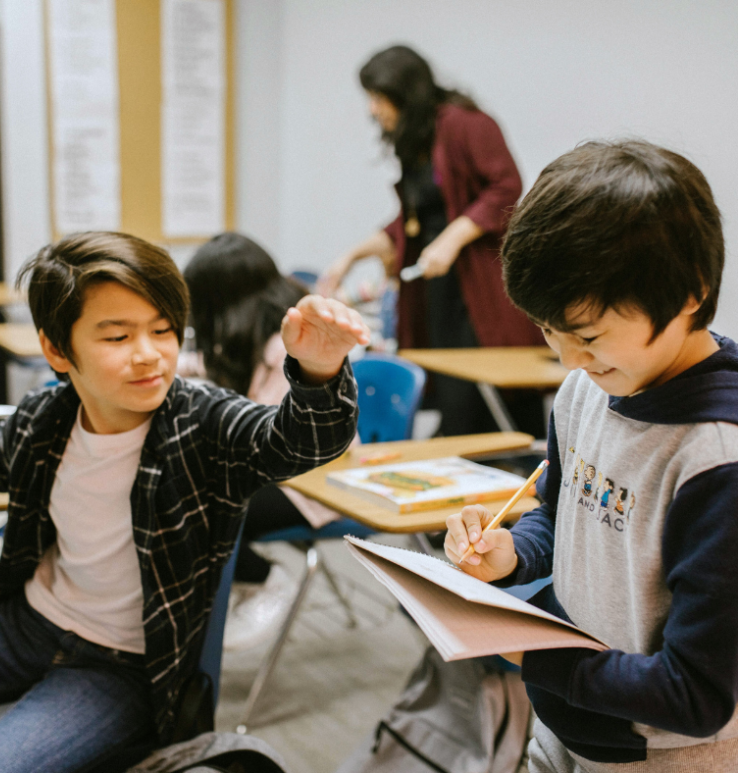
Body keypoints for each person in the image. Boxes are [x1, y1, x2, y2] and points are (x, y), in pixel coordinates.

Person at [0, 231, 368, 773]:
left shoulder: (201, 422)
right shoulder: (45, 418)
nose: (148, 355)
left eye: (164, 330)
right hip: (25, 626)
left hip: (123, 670)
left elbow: (298, 443)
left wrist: (318, 373)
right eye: (117, 337)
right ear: (57, 349)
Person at [445, 141, 738, 771]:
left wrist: (528, 652)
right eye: (548, 332)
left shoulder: (717, 461)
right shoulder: (589, 386)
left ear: (690, 293)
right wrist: (516, 550)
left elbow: (699, 695)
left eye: (587, 336)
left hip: (667, 753)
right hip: (566, 722)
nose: (567, 361)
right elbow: (561, 510)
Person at [319, 44, 544, 436]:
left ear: (404, 92)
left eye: (377, 98)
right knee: (453, 403)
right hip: (440, 295)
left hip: (480, 296)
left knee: (484, 407)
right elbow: (415, 218)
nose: (373, 110)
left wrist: (453, 239)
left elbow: (506, 187)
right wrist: (350, 257)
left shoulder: (467, 124)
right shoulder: (419, 139)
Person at [183, 232, 349, 651]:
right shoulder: (252, 336)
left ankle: (263, 580)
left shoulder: (287, 346)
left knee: (194, 499)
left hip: (311, 483)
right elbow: (208, 367)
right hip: (273, 474)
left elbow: (280, 443)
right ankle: (234, 579)